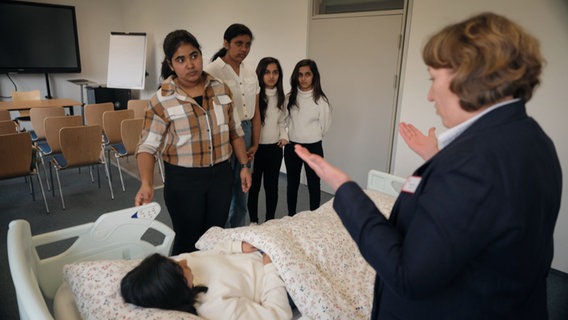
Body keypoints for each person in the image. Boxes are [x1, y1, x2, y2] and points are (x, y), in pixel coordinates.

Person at [295, 12, 562, 319]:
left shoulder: (473, 164)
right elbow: (485, 215)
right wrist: (437, 158)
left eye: (434, 79)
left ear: (470, 75)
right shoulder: (533, 138)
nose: (430, 95)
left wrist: (344, 188)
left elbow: (407, 275)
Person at [135, 30, 251, 254]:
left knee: (215, 235)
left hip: (221, 176)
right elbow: (147, 147)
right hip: (184, 181)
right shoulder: (161, 100)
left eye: (194, 55)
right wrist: (146, 183)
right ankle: (182, 285)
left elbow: (235, 132)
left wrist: (244, 166)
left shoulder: (220, 89)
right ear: (170, 64)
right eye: (181, 59)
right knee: (188, 239)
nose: (190, 64)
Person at [121, 241, 293, 320]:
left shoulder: (180, 262)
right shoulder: (217, 308)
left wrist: (236, 247)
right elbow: (277, 315)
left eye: (173, 260)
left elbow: (212, 252)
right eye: (182, 268)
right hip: (279, 279)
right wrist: (271, 269)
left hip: (260, 253)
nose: (184, 261)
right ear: (180, 289)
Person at [205, 23, 261, 228]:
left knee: (242, 188)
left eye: (247, 45)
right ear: (226, 43)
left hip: (246, 132)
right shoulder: (213, 71)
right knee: (222, 189)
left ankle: (238, 233)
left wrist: (255, 142)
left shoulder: (250, 71)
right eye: (239, 44)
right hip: (223, 133)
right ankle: (219, 235)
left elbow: (256, 112)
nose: (243, 49)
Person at [284, 59, 331, 215]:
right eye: (300, 75)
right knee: (292, 184)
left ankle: (314, 217)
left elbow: (325, 126)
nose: (303, 78)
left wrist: (311, 136)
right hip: (293, 147)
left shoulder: (321, 101)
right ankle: (291, 216)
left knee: (313, 184)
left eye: (307, 74)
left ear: (314, 76)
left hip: (313, 147)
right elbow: (284, 120)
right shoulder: (290, 97)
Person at [247, 57, 288, 224]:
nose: (271, 76)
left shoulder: (281, 97)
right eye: (267, 72)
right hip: (256, 149)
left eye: (275, 72)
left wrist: (284, 136)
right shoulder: (254, 97)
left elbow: (281, 121)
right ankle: (253, 221)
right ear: (260, 74)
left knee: (271, 188)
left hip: (274, 149)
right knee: (254, 187)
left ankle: (270, 221)